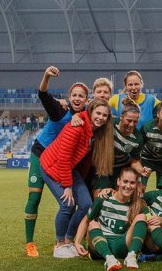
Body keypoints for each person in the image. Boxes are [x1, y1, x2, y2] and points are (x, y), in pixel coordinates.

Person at [22, 66, 89, 257]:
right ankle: (29, 243)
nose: (77, 98)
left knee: (70, 201)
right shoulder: (60, 110)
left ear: (86, 99)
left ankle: (65, 241)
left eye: (81, 96)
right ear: (69, 96)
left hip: (60, 160)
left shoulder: (86, 114)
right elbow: (43, 94)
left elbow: (104, 108)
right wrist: (46, 76)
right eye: (74, 95)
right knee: (34, 198)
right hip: (40, 155)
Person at [39, 99, 114, 259]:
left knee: (86, 205)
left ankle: (68, 241)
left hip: (68, 168)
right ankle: (59, 244)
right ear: (91, 112)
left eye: (104, 115)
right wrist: (68, 186)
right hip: (52, 165)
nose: (101, 117)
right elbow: (63, 158)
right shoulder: (77, 126)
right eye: (98, 113)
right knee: (67, 204)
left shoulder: (97, 131)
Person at [73, 167, 148, 271]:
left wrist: (160, 222)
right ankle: (109, 259)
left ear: (136, 185)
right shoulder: (103, 198)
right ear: (118, 181)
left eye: (132, 183)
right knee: (92, 223)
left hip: (122, 245)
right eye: (125, 181)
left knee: (142, 217)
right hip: (100, 244)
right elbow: (86, 220)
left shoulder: (138, 203)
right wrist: (77, 242)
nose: (128, 186)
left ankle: (131, 256)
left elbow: (150, 220)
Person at [91, 98, 145, 197]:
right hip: (103, 166)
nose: (131, 124)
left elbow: (135, 160)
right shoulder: (109, 123)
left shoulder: (138, 138)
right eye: (129, 120)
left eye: (135, 122)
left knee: (120, 197)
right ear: (121, 117)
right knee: (100, 195)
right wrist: (76, 116)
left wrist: (141, 172)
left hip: (120, 168)